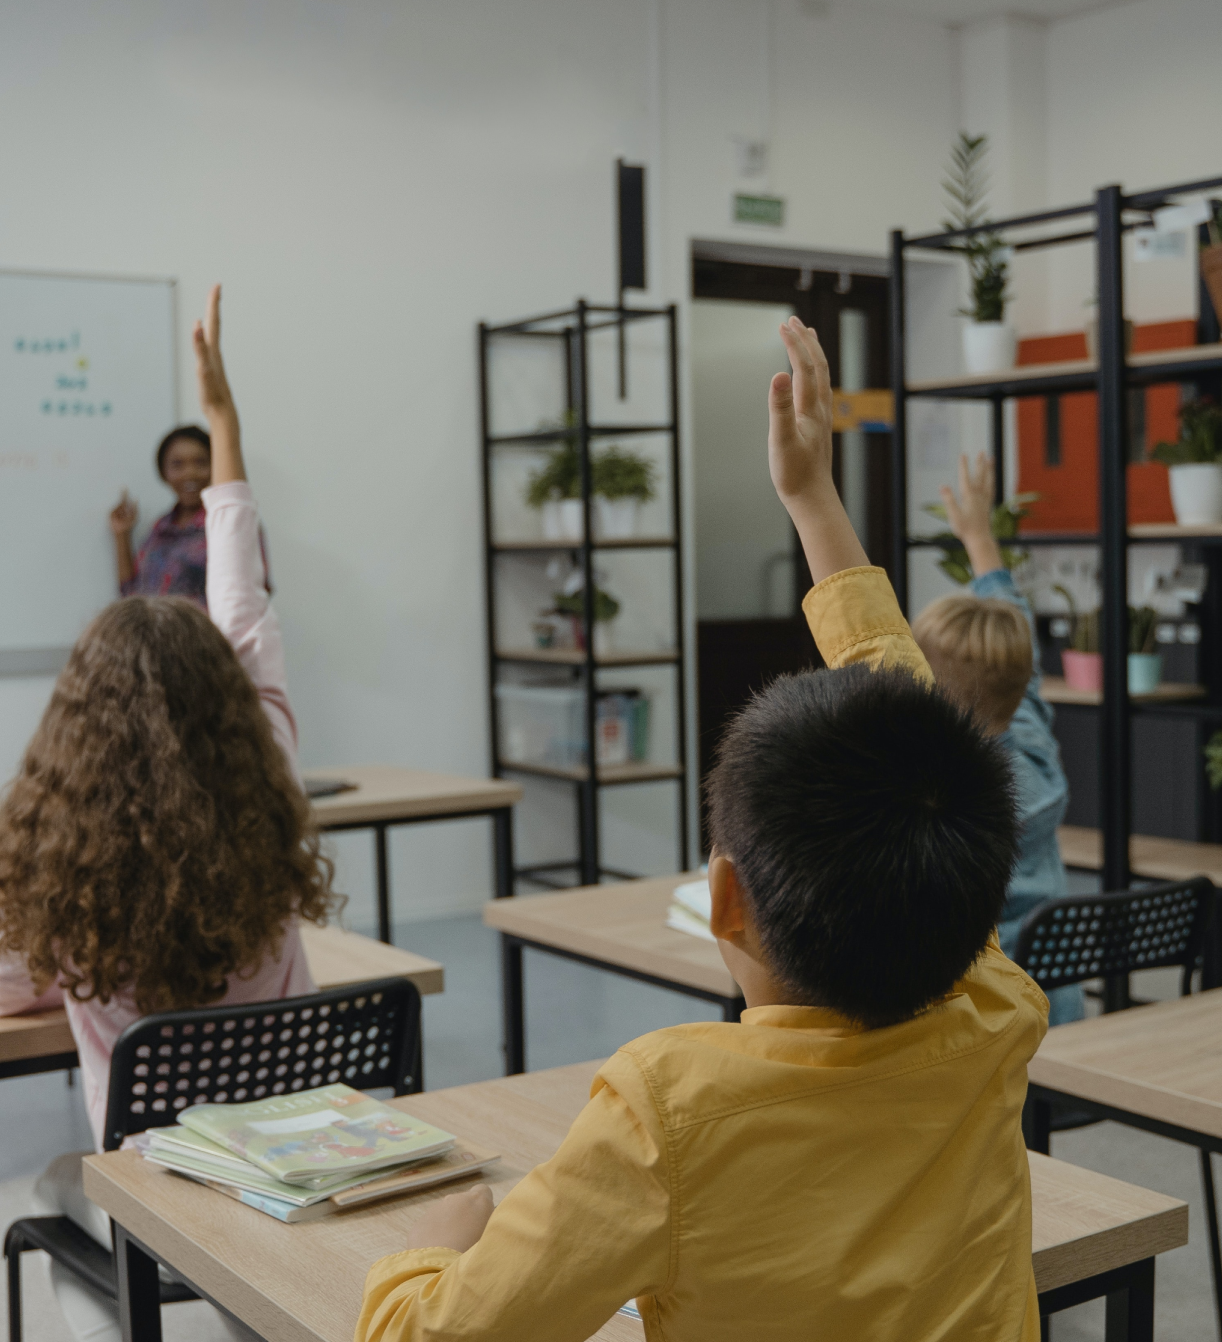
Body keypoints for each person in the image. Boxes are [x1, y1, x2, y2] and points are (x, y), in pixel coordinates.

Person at [354, 316, 1050, 1342]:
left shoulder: (667, 1108)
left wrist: (429, 1249)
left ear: (723, 899)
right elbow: (904, 712)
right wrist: (812, 498)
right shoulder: (990, 1007)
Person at [0, 286, 328, 1342]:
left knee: (54, 1180)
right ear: (229, 697)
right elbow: (244, 601)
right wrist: (225, 425)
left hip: (162, 1176)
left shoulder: (67, 861)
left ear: (77, 722)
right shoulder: (273, 773)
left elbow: (0, 991)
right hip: (291, 1146)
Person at [922, 449, 1082, 1025]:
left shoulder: (946, 799)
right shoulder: (1031, 733)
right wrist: (978, 537)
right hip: (1057, 1012)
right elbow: (1021, 652)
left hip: (985, 1034)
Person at [111, 424, 213, 604]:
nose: (190, 473)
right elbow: (132, 593)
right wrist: (122, 535)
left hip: (204, 632)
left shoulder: (228, 524)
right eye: (177, 464)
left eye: (200, 463)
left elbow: (249, 598)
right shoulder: (161, 527)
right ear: (164, 472)